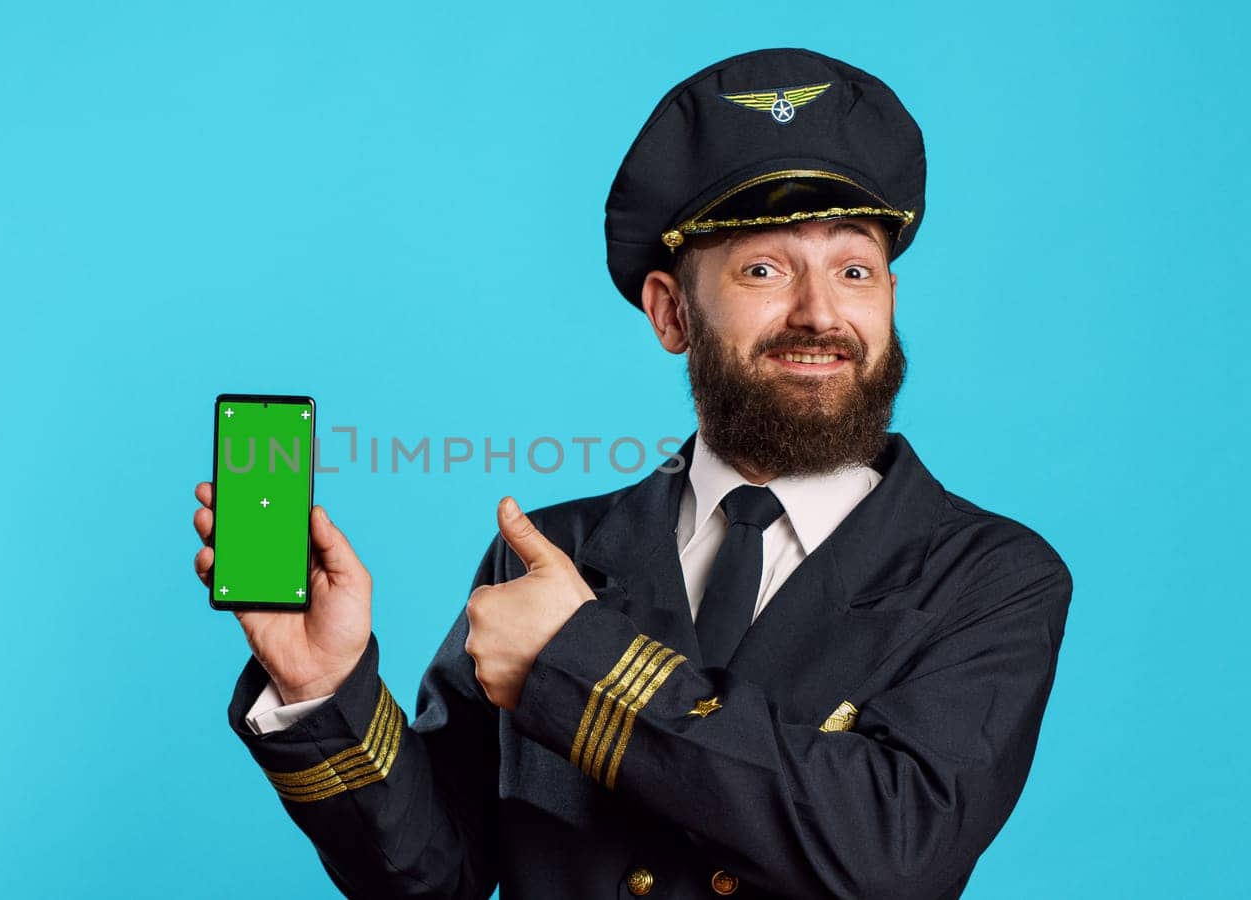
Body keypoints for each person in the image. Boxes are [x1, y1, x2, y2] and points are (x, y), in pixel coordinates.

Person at [191, 47, 1072, 899]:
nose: (821, 313)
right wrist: (322, 689)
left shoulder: (990, 577)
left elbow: (893, 853)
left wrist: (571, 660)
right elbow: (436, 873)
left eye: (855, 270)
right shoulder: (550, 555)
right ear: (669, 312)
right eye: (764, 269)